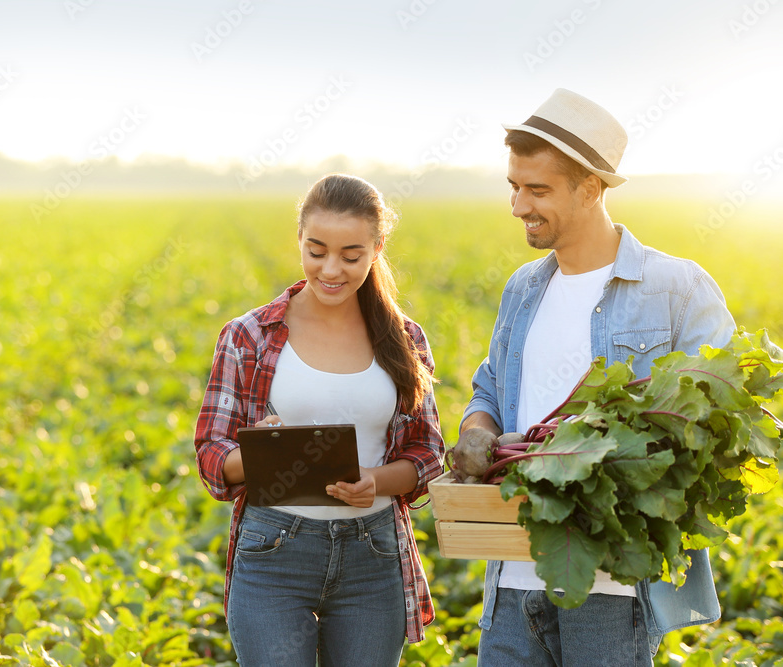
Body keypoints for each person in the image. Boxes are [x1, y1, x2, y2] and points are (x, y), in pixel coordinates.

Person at [459, 89, 735, 666]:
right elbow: (489, 388)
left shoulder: (676, 289)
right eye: (514, 186)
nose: (518, 205)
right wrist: (479, 428)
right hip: (511, 579)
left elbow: (716, 421)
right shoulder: (523, 288)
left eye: (538, 190)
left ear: (590, 188)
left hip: (614, 590)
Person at [194, 173, 445, 666]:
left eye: (351, 256)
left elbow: (428, 452)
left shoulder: (404, 338)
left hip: (373, 556)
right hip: (275, 552)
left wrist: (374, 480)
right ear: (300, 242)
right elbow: (210, 454)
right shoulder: (249, 335)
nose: (331, 269)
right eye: (316, 250)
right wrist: (257, 453)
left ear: (377, 248)